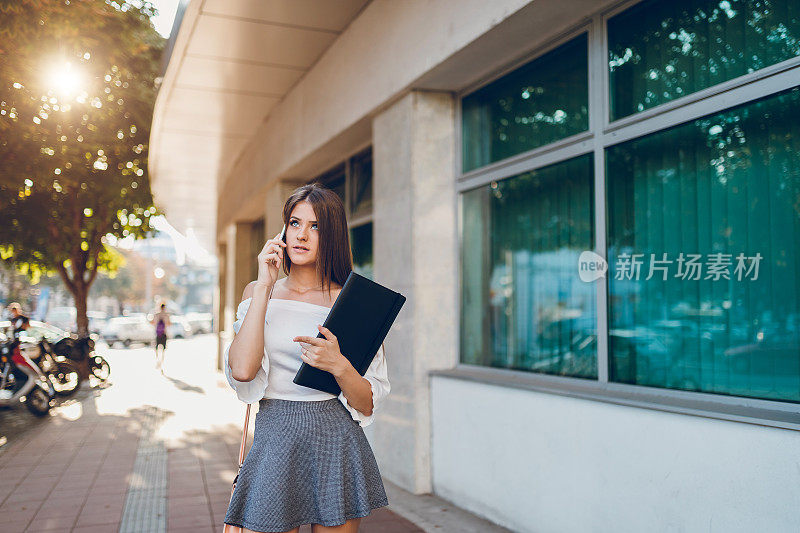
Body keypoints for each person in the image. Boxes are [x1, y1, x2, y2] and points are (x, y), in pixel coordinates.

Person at [223, 183, 390, 533]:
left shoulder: (352, 303)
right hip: (275, 436)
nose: (302, 235)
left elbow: (367, 404)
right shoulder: (258, 292)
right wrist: (265, 285)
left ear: (332, 236)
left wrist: (338, 365)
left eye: (315, 226)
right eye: (295, 223)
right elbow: (242, 370)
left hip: (336, 440)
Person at [150, 302, 171, 371]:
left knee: (156, 348)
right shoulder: (166, 315)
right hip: (164, 333)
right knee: (163, 350)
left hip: (157, 334)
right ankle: (161, 361)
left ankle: (157, 359)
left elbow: (152, 323)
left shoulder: (156, 314)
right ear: (165, 307)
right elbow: (169, 324)